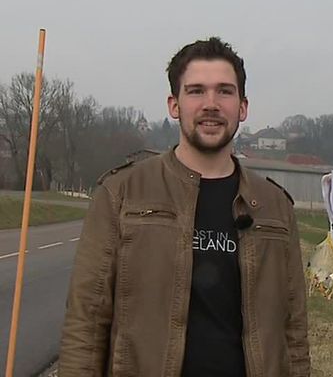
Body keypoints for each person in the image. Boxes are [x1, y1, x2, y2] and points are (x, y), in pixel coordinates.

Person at [59, 37, 310, 377]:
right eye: (195, 91)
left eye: (224, 91)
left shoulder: (275, 207)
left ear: (243, 107)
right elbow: (86, 321)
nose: (211, 104)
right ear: (174, 105)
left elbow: (293, 331)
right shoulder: (121, 194)